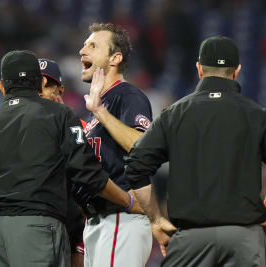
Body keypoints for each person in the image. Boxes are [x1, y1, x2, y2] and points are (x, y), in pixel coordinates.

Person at [0, 50, 143, 267]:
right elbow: (88, 172)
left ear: (3, 86)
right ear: (39, 82)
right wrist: (128, 201)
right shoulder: (59, 114)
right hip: (36, 225)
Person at [125, 35, 266, 267]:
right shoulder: (258, 115)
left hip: (190, 239)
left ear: (199, 69)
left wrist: (156, 220)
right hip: (244, 239)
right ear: (236, 71)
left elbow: (136, 164)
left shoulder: (174, 114)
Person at [79, 22, 153, 267]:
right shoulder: (99, 103)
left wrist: (100, 112)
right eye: (84, 44)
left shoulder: (128, 95)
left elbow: (142, 145)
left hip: (122, 218)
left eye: (93, 45)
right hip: (100, 220)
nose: (82, 50)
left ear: (115, 58)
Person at [39, 58, 85, 267]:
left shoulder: (80, 126)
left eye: (48, 85)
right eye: (36, 84)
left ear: (60, 90)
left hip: (70, 228)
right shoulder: (13, 126)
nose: (41, 91)